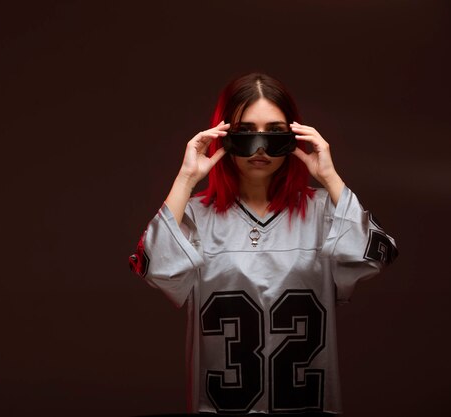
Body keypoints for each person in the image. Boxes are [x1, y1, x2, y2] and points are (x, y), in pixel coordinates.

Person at [128, 73, 398, 416]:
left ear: (293, 136)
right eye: (245, 134)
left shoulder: (324, 211)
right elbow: (154, 266)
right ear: (223, 136)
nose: (259, 149)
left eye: (274, 134)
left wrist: (330, 177)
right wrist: (185, 179)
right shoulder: (195, 215)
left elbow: (375, 256)